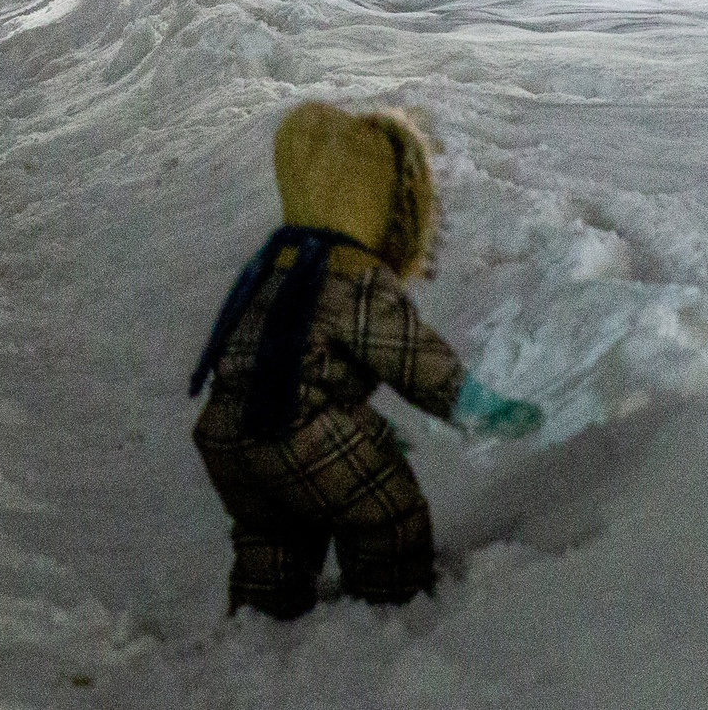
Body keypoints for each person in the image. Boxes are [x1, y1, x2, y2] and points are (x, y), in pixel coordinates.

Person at [189, 104, 542, 619]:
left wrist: (355, 431)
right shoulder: (352, 277)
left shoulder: (274, 265)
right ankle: (387, 616)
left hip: (226, 434)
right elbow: (407, 353)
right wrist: (472, 403)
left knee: (274, 533)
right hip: (295, 430)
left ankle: (262, 622)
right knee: (388, 514)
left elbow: (262, 363)